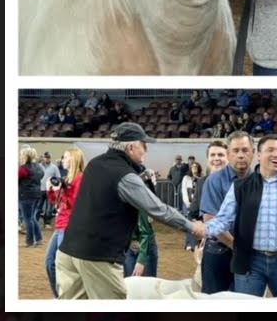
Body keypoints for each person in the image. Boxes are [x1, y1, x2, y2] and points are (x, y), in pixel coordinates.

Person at [56, 122, 206, 299]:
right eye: (144, 145)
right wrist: (192, 227)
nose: (146, 151)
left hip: (67, 251)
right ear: (131, 147)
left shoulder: (95, 164)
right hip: (98, 256)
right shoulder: (124, 175)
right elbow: (158, 210)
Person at [205, 135, 277, 297]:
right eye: (270, 150)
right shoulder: (240, 186)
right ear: (258, 155)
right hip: (250, 262)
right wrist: (203, 229)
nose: (276, 154)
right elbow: (223, 219)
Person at [198, 131, 255, 294]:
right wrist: (238, 248)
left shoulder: (262, 181)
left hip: (251, 254)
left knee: (247, 302)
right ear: (229, 154)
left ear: (254, 152)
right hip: (218, 253)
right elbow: (210, 220)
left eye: (245, 150)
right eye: (236, 151)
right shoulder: (213, 181)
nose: (241, 155)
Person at [44, 148, 85, 298]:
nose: (63, 159)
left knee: (64, 268)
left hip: (68, 226)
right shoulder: (67, 178)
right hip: (60, 226)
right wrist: (51, 190)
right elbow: (56, 202)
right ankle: (60, 297)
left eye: (66, 157)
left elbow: (75, 205)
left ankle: (65, 298)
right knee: (49, 263)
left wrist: (62, 191)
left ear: (73, 159)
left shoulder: (80, 178)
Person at [124, 168, 159, 278]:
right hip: (129, 247)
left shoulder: (140, 200)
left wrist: (142, 260)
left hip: (145, 247)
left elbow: (146, 233)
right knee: (129, 287)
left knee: (147, 289)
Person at [18, 146, 44, 248]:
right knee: (32, 217)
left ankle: (30, 241)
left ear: (25, 156)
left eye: (21, 155)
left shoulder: (23, 169)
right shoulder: (38, 167)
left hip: (26, 195)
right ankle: (38, 238)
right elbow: (41, 175)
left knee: (27, 219)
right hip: (37, 194)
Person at [181, 161, 203, 251]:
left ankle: (197, 243)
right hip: (189, 203)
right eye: (193, 167)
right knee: (188, 223)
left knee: (198, 223)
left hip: (198, 204)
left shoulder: (201, 178)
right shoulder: (186, 178)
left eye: (196, 167)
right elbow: (184, 191)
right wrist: (187, 203)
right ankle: (188, 243)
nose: (194, 168)